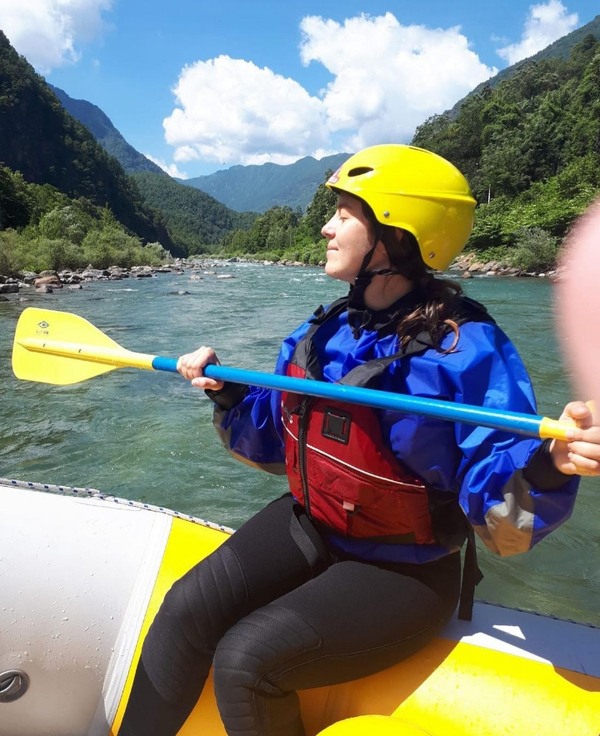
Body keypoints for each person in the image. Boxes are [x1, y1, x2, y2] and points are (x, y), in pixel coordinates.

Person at [118, 145, 600, 736]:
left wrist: (551, 464)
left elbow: (503, 516)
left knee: (247, 660)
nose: (326, 227)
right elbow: (274, 442)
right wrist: (228, 393)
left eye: (344, 214)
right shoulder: (324, 331)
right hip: (314, 522)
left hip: (406, 566)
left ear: (397, 236)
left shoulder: (466, 350)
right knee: (183, 611)